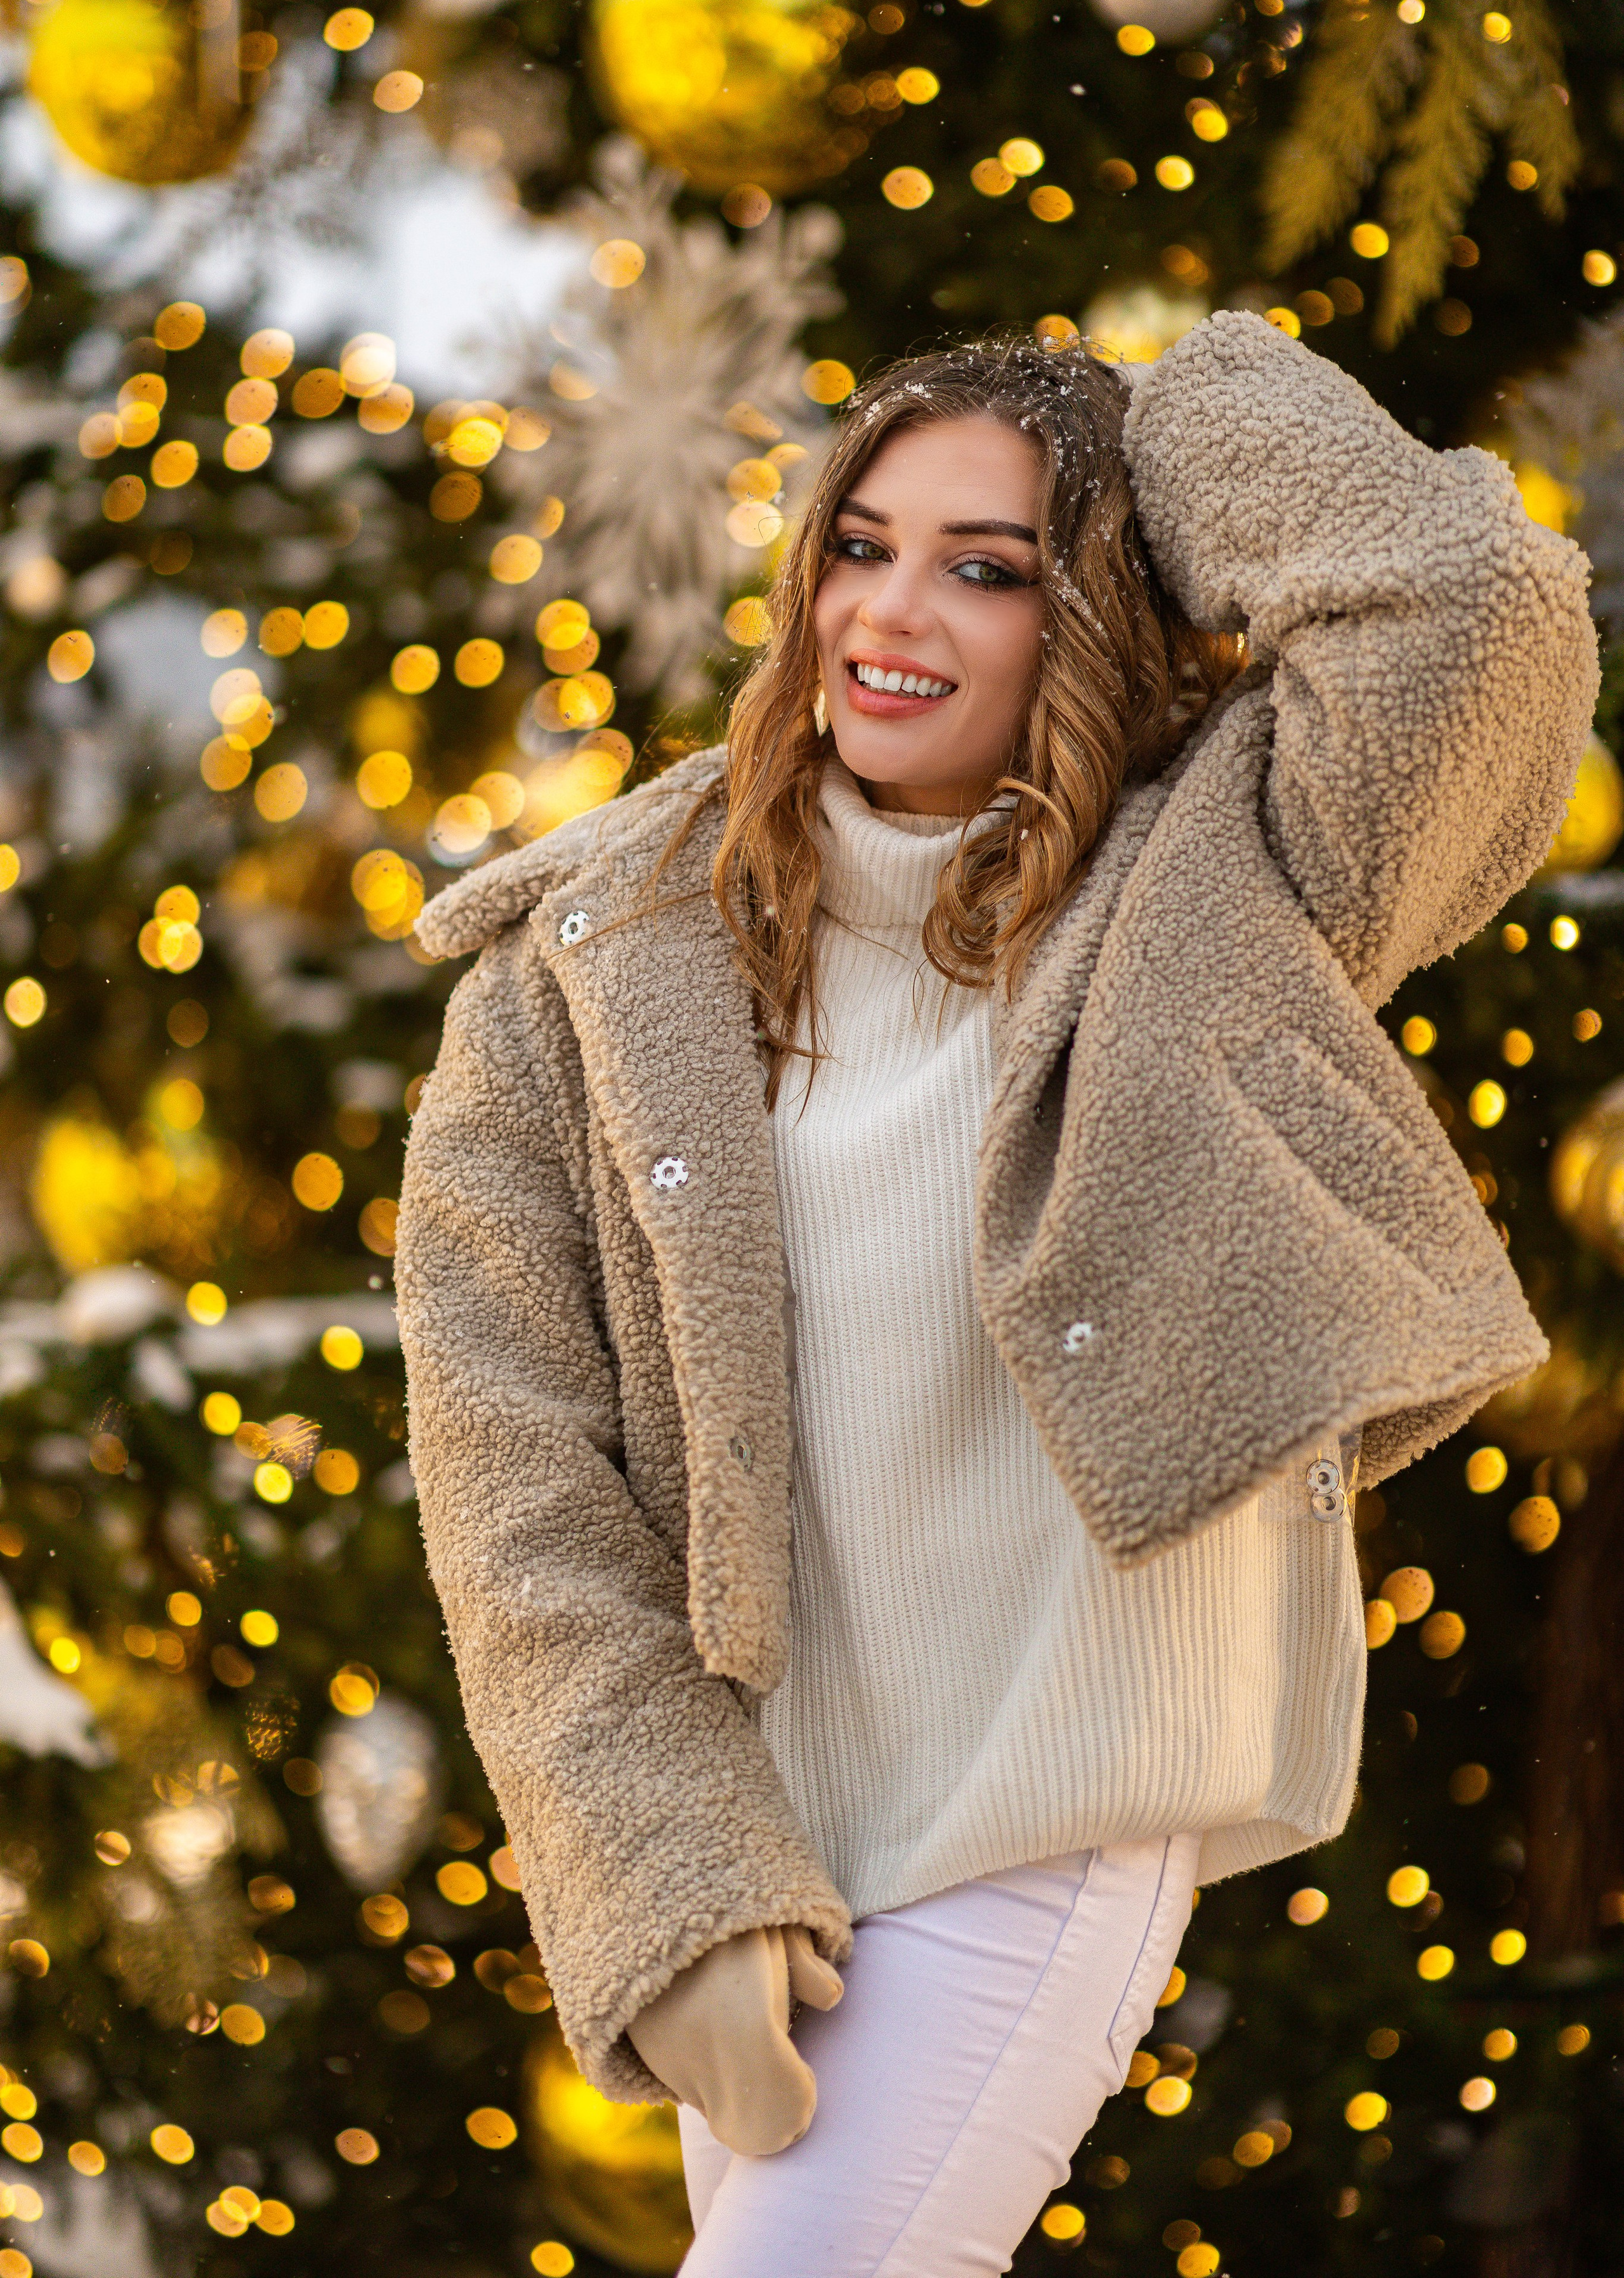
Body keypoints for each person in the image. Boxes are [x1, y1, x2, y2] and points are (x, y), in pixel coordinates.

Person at [395, 312, 1596, 2277]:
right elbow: (517, 1484)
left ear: (1097, 606)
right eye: (860, 544)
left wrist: (1159, 394)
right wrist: (673, 1874)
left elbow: (1479, 609)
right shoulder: (580, 973)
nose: (895, 609)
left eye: (991, 567)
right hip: (766, 1857)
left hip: (1040, 1812)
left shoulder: (1228, 879)